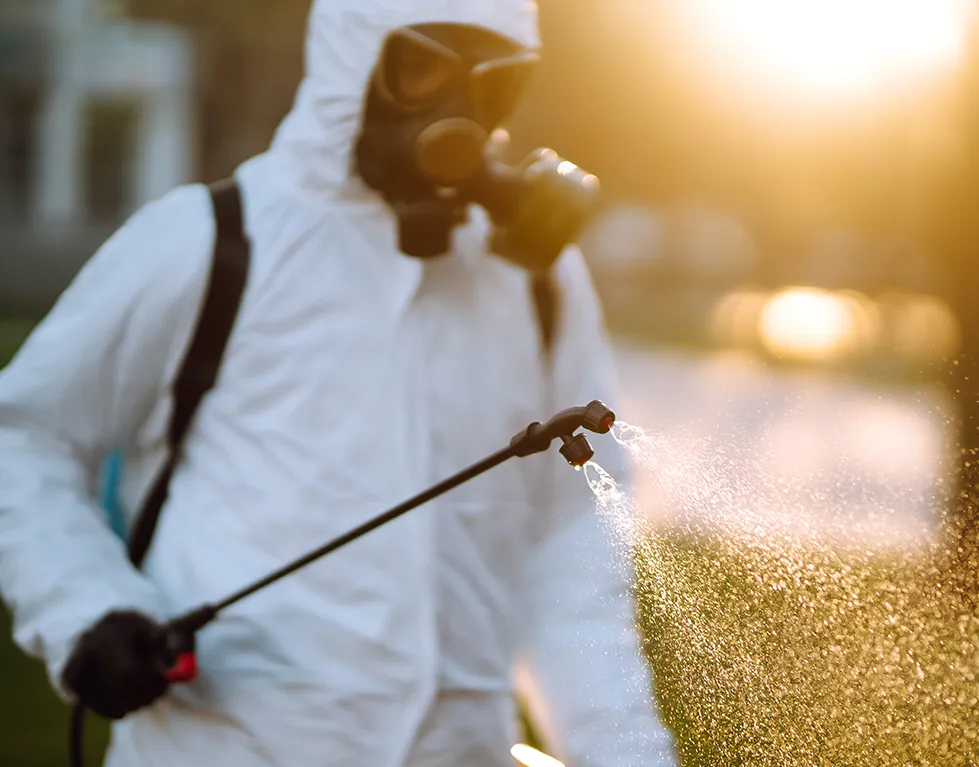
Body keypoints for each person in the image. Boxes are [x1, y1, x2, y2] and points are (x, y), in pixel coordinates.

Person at [0, 1, 679, 765]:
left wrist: (626, 751)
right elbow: (23, 437)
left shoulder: (535, 280)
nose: (460, 114)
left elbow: (571, 539)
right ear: (351, 60)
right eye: (424, 70)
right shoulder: (212, 242)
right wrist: (85, 607)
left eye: (492, 84)